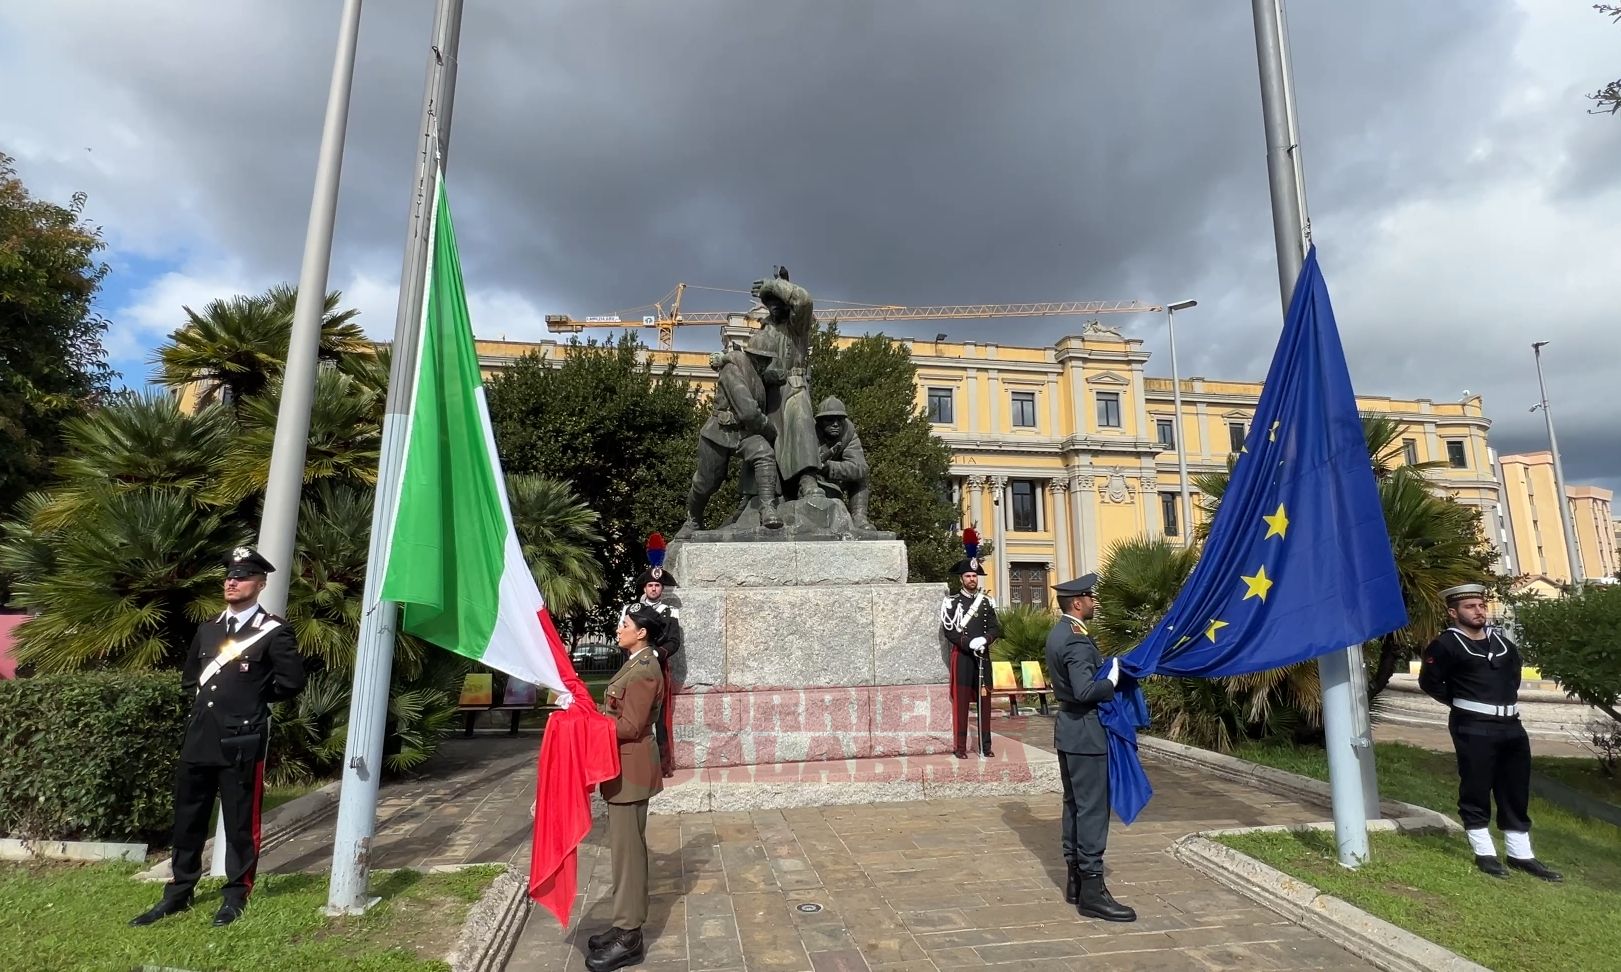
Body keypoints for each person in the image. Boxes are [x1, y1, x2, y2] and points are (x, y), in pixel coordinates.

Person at [130, 547, 307, 928]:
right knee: (188, 818)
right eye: (229, 575)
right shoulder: (208, 629)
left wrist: (251, 703)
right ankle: (178, 892)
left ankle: (235, 894)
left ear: (260, 584)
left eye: (241, 577)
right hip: (200, 737)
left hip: (241, 740)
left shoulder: (273, 630)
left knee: (241, 822)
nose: (231, 581)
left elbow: (292, 682)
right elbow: (190, 677)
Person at [1418, 583, 1562, 881]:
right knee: (1476, 786)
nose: (1478, 611)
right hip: (1473, 726)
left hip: (1511, 726)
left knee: (1515, 789)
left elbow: (1513, 678)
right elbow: (1430, 683)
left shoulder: (1504, 645)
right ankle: (1485, 852)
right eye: (1470, 607)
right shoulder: (1446, 645)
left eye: (1481, 605)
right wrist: (1463, 704)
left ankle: (1520, 853)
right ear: (1453, 612)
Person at [1045, 574, 1133, 922]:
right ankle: (1093, 892)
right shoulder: (1077, 641)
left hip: (1068, 730)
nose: (1094, 603)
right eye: (1090, 598)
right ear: (1077, 603)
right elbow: (1084, 691)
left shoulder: (1059, 634)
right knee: (1093, 809)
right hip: (1086, 733)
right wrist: (1110, 680)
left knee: (1075, 806)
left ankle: (1075, 882)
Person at [585, 603, 668, 972]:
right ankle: (622, 924)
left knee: (629, 855)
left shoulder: (646, 669)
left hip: (631, 771)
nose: (619, 628)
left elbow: (630, 726)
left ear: (642, 633)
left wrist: (587, 726)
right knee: (623, 853)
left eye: (626, 624)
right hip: (624, 769)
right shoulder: (636, 662)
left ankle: (629, 937)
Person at [680, 330, 783, 534]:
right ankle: (693, 520)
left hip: (745, 434)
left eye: (767, 360)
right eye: (760, 358)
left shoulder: (759, 375)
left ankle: (768, 508)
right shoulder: (732, 369)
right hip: (719, 432)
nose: (763, 363)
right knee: (706, 482)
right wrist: (770, 430)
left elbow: (774, 377)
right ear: (751, 355)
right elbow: (748, 412)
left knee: (764, 454)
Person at [624, 533, 683, 779]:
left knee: (659, 716)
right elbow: (624, 638)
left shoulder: (670, 611)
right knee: (634, 713)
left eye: (658, 585)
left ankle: (662, 764)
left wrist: (657, 652)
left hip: (658, 666)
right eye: (650, 585)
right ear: (645, 587)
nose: (654, 588)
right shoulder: (633, 610)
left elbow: (674, 641)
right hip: (636, 666)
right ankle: (634, 762)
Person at [939, 530, 999, 758]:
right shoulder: (952, 602)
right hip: (963, 657)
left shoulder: (987, 602)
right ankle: (961, 747)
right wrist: (968, 642)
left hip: (983, 656)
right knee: (961, 703)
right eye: (968, 576)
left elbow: (996, 627)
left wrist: (986, 639)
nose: (972, 580)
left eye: (974, 576)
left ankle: (986, 746)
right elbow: (949, 631)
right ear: (961, 579)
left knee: (985, 702)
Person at [814, 396, 874, 531]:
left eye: (839, 420)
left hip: (833, 480)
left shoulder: (849, 434)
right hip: (812, 482)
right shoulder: (809, 432)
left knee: (860, 478)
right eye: (830, 420)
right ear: (820, 422)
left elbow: (860, 468)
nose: (835, 424)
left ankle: (859, 518)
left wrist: (830, 467)